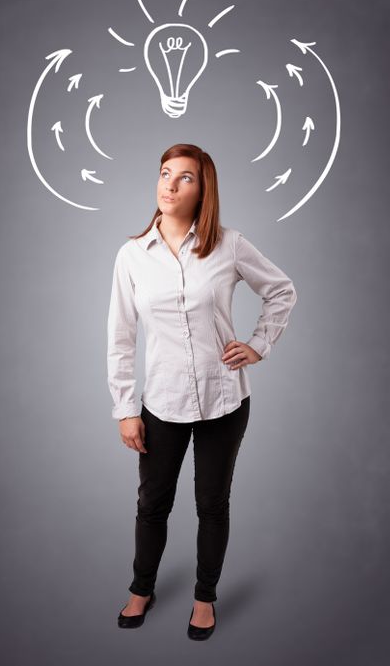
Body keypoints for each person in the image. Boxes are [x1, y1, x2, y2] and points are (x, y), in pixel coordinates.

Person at [107, 143, 297, 639]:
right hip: (161, 404)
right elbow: (121, 337)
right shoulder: (132, 256)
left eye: (184, 177)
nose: (169, 185)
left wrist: (258, 344)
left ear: (203, 189)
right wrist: (126, 409)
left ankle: (204, 597)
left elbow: (281, 290)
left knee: (212, 504)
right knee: (152, 504)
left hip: (223, 400)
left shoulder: (229, 245)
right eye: (164, 173)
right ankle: (141, 588)